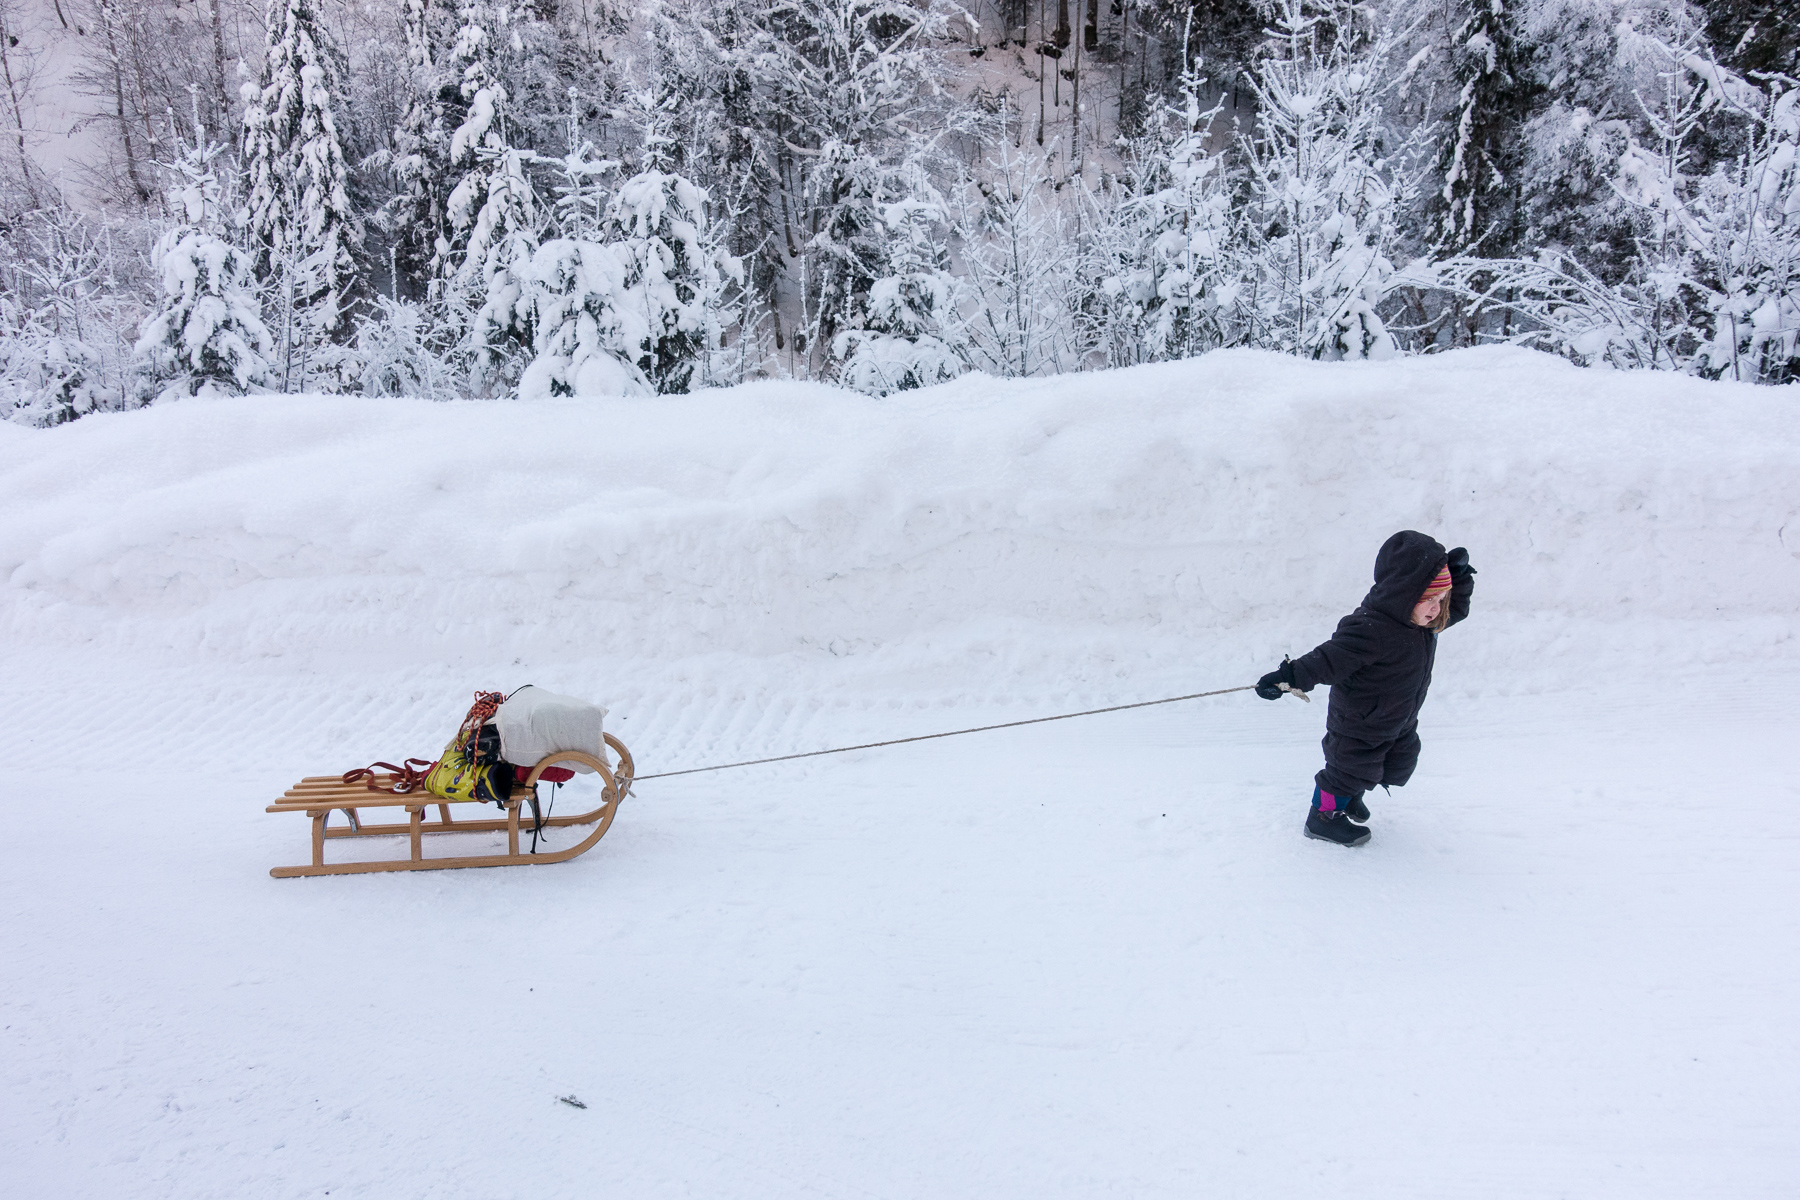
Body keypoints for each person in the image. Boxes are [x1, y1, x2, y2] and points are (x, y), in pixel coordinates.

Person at [1255, 531, 1476, 847]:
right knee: (1347, 770)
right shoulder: (1372, 628)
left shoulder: (1422, 624)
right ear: (1403, 592)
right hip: (1359, 721)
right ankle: (1323, 818)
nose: (1435, 609)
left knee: (1394, 761)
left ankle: (1350, 796)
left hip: (1397, 717)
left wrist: (1461, 579)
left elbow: (1454, 611)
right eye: (1429, 599)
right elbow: (1330, 658)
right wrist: (1289, 677)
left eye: (1441, 600)